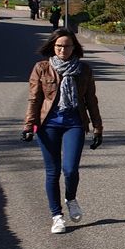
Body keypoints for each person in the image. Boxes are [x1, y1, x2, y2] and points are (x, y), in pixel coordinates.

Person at [22, 29, 104, 234]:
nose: (62, 50)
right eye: (59, 46)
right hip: (47, 126)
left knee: (70, 169)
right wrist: (28, 126)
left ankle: (71, 198)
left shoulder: (83, 70)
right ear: (52, 46)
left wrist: (98, 128)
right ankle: (57, 216)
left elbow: (91, 100)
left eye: (67, 46)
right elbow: (35, 99)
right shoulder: (41, 68)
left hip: (74, 124)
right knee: (52, 171)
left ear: (74, 47)